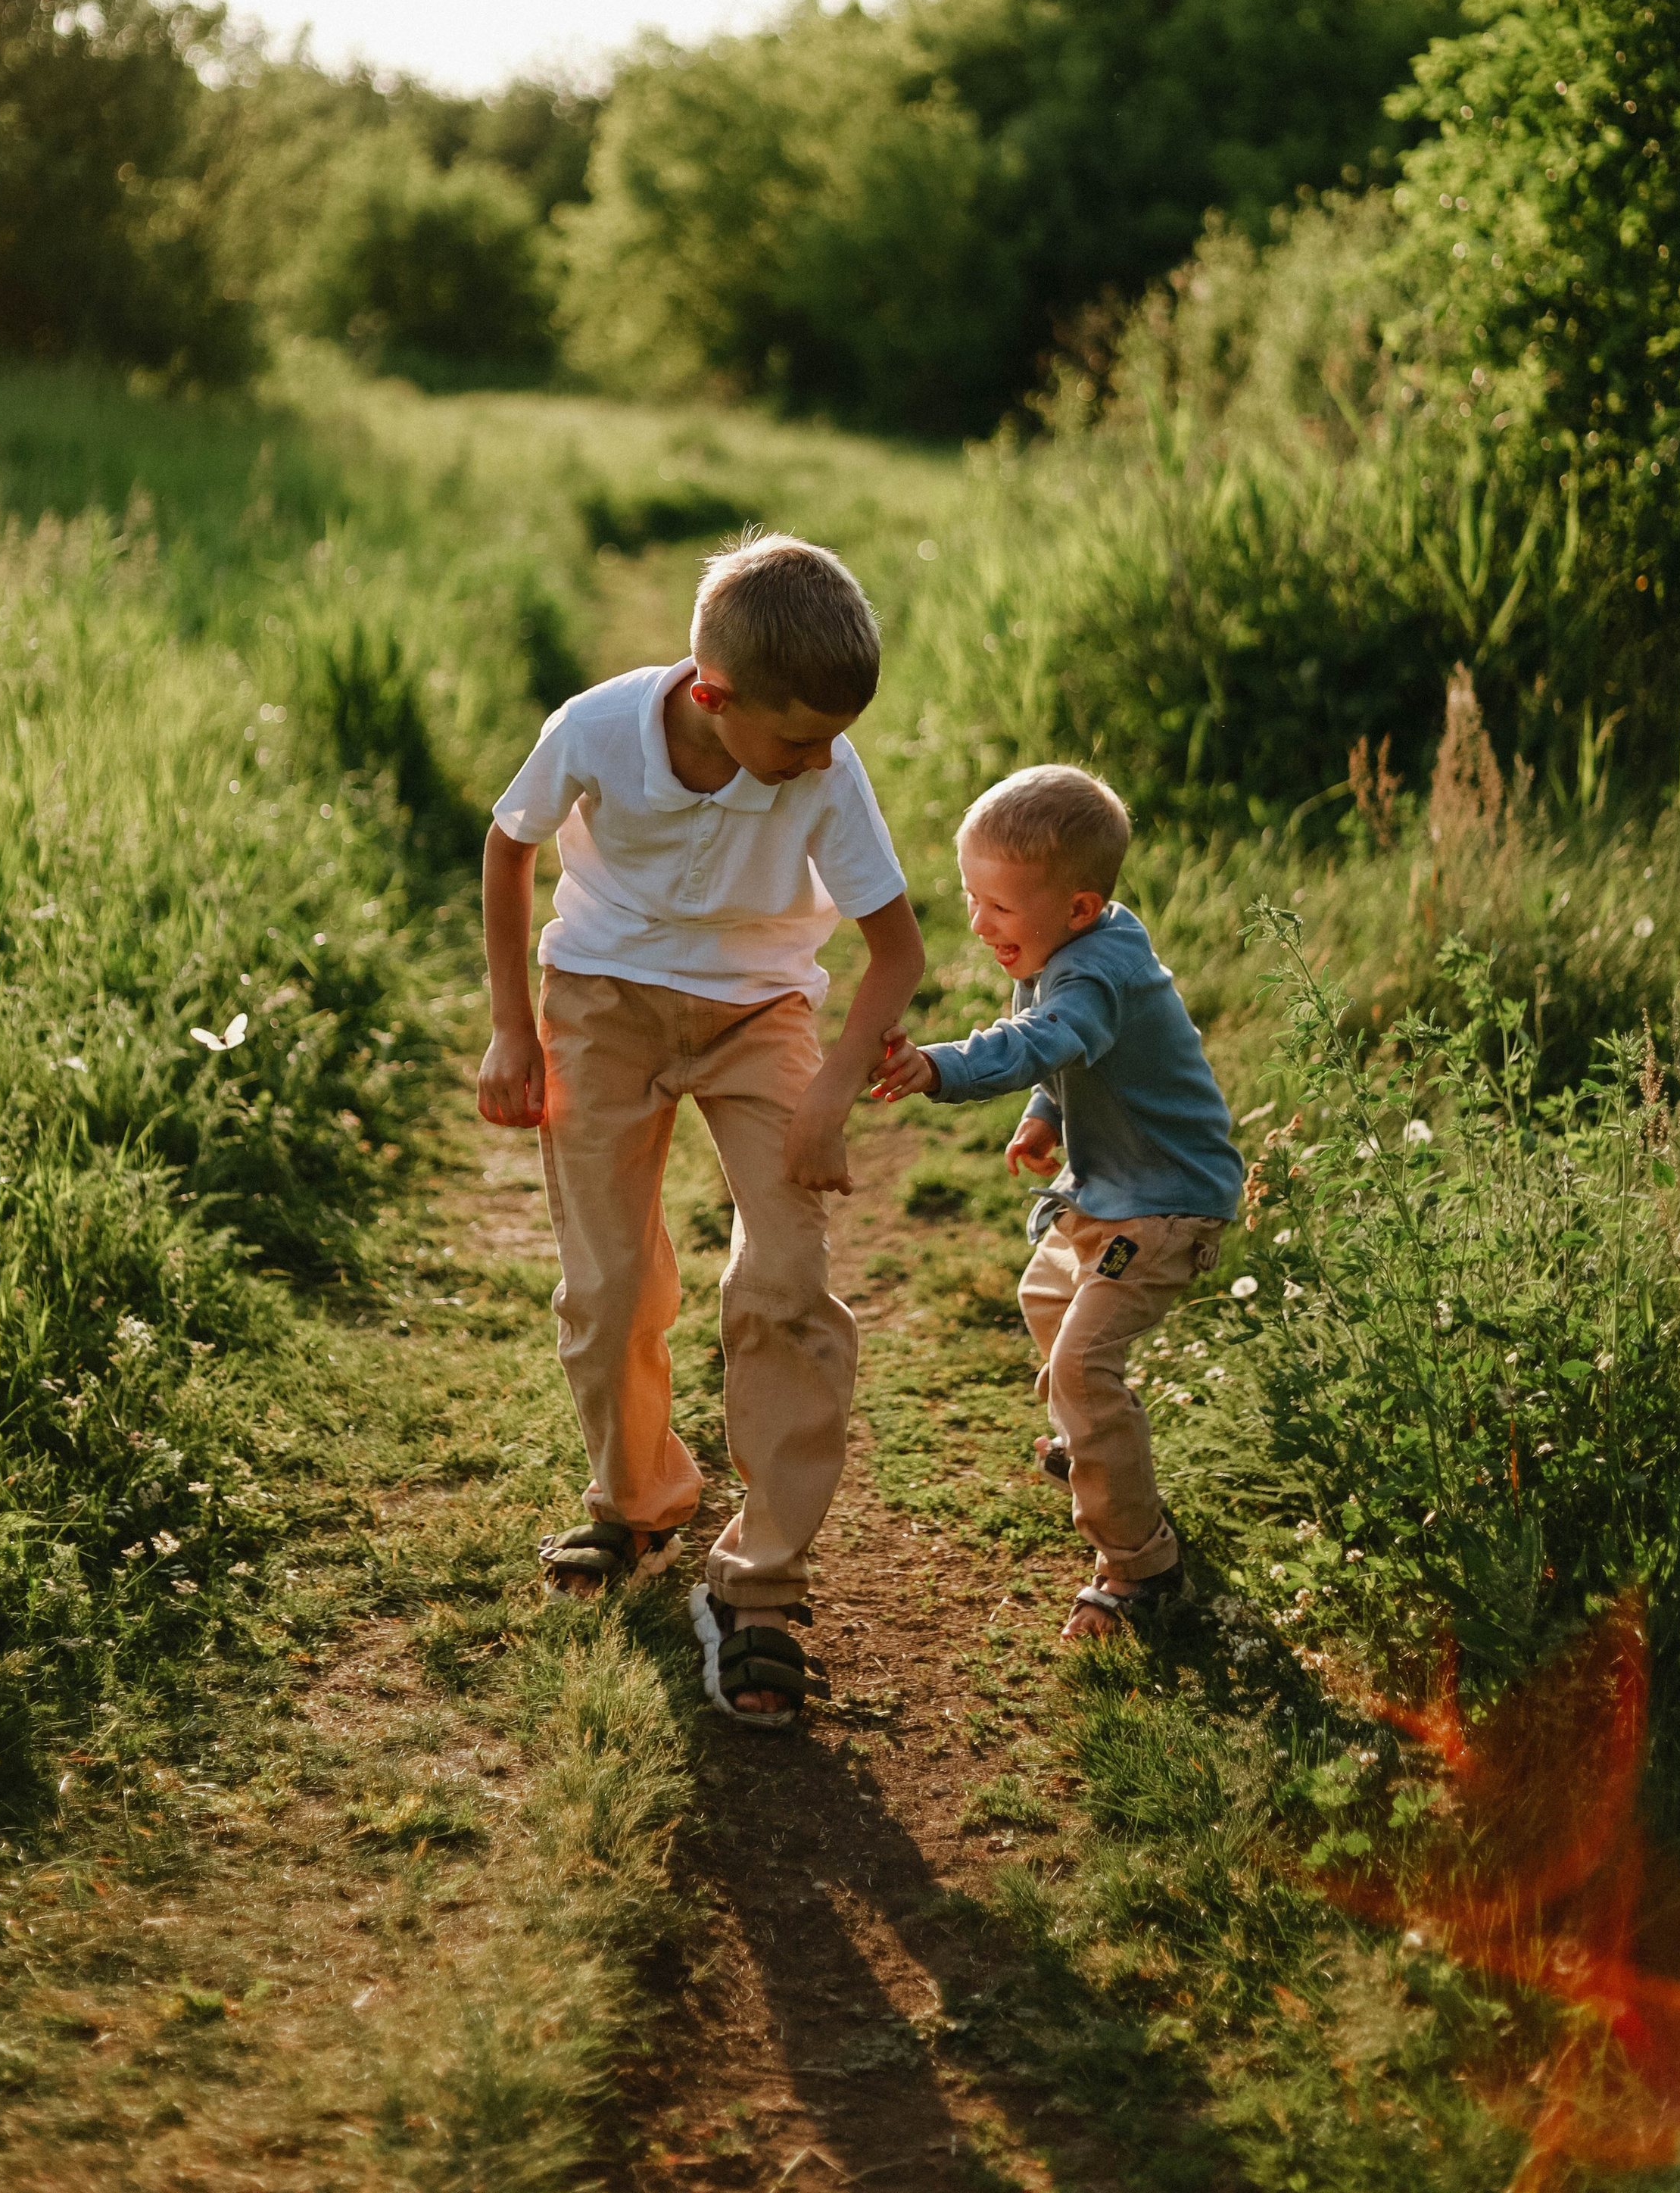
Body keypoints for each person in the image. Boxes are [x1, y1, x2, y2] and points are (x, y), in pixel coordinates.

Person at [477, 532, 924, 1725]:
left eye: (837, 734)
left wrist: (829, 1087)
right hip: (600, 1006)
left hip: (760, 1013)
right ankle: (637, 1503)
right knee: (611, 1283)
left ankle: (763, 1584)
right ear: (712, 695)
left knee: (785, 1279)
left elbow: (897, 950)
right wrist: (514, 1032)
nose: (823, 757)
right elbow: (510, 845)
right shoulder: (597, 730)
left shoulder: (825, 768)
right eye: (799, 737)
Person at [871, 764, 1242, 1642]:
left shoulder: (1091, 975)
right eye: (971, 898)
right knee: (1044, 1296)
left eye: (998, 907)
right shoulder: (1066, 952)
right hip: (1109, 1188)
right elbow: (1076, 1054)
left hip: (1166, 1205)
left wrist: (940, 1066)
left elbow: (1050, 1032)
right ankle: (1093, 1447)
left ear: (1078, 909)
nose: (976, 922)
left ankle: (1141, 1567)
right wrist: (1046, 1115)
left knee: (1080, 1363)